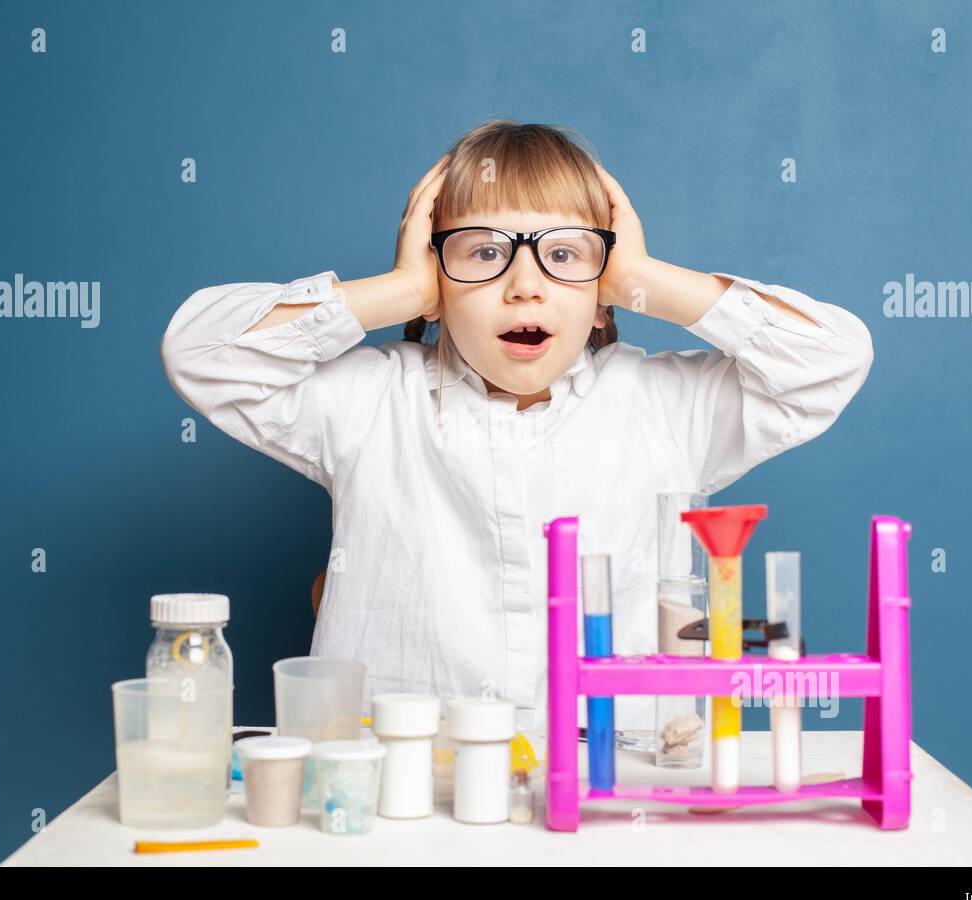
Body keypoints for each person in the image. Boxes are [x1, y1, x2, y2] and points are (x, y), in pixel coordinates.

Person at [159, 119, 874, 733]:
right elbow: (198, 352)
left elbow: (831, 358)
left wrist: (644, 278)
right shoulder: (372, 401)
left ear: (602, 293)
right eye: (482, 252)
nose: (524, 283)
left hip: (618, 792)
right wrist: (402, 290)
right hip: (403, 796)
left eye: (564, 255)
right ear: (438, 283)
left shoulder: (666, 406)